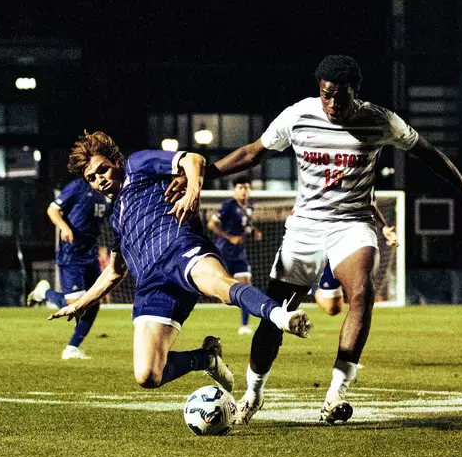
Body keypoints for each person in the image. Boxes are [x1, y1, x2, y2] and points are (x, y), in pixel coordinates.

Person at [196, 54, 462, 425]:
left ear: (355, 92)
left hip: (353, 224)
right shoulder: (298, 115)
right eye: (326, 95)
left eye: (340, 96)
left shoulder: (379, 120)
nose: (332, 104)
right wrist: (201, 174)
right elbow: (253, 152)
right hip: (305, 227)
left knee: (361, 292)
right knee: (275, 315)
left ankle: (335, 395)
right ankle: (253, 392)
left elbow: (426, 151)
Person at [47, 131, 312, 392]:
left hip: (180, 250)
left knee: (221, 285)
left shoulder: (138, 164)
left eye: (102, 170)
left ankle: (281, 317)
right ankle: (206, 358)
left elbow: (194, 159)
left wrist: (192, 192)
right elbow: (115, 272)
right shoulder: (116, 217)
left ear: (116, 161)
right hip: (152, 287)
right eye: (91, 178)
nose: (99, 180)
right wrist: (79, 305)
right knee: (148, 375)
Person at [26, 176, 112, 360]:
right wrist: (64, 227)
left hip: (90, 255)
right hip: (71, 254)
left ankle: (72, 348)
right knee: (77, 306)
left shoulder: (105, 192)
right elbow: (53, 210)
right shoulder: (77, 187)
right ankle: (45, 293)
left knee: (93, 303)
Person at [313, 206, 397, 315]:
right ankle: (317, 291)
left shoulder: (361, 198)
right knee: (333, 309)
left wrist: (383, 228)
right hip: (334, 245)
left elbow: (370, 205)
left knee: (361, 296)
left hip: (359, 242)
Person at [208, 176, 261, 334]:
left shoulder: (250, 206)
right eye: (240, 188)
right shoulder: (229, 206)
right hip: (224, 251)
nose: (243, 191)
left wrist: (254, 231)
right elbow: (211, 224)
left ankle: (244, 325)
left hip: (239, 253)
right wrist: (229, 237)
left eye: (246, 187)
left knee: (245, 287)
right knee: (218, 289)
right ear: (235, 190)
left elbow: (246, 225)